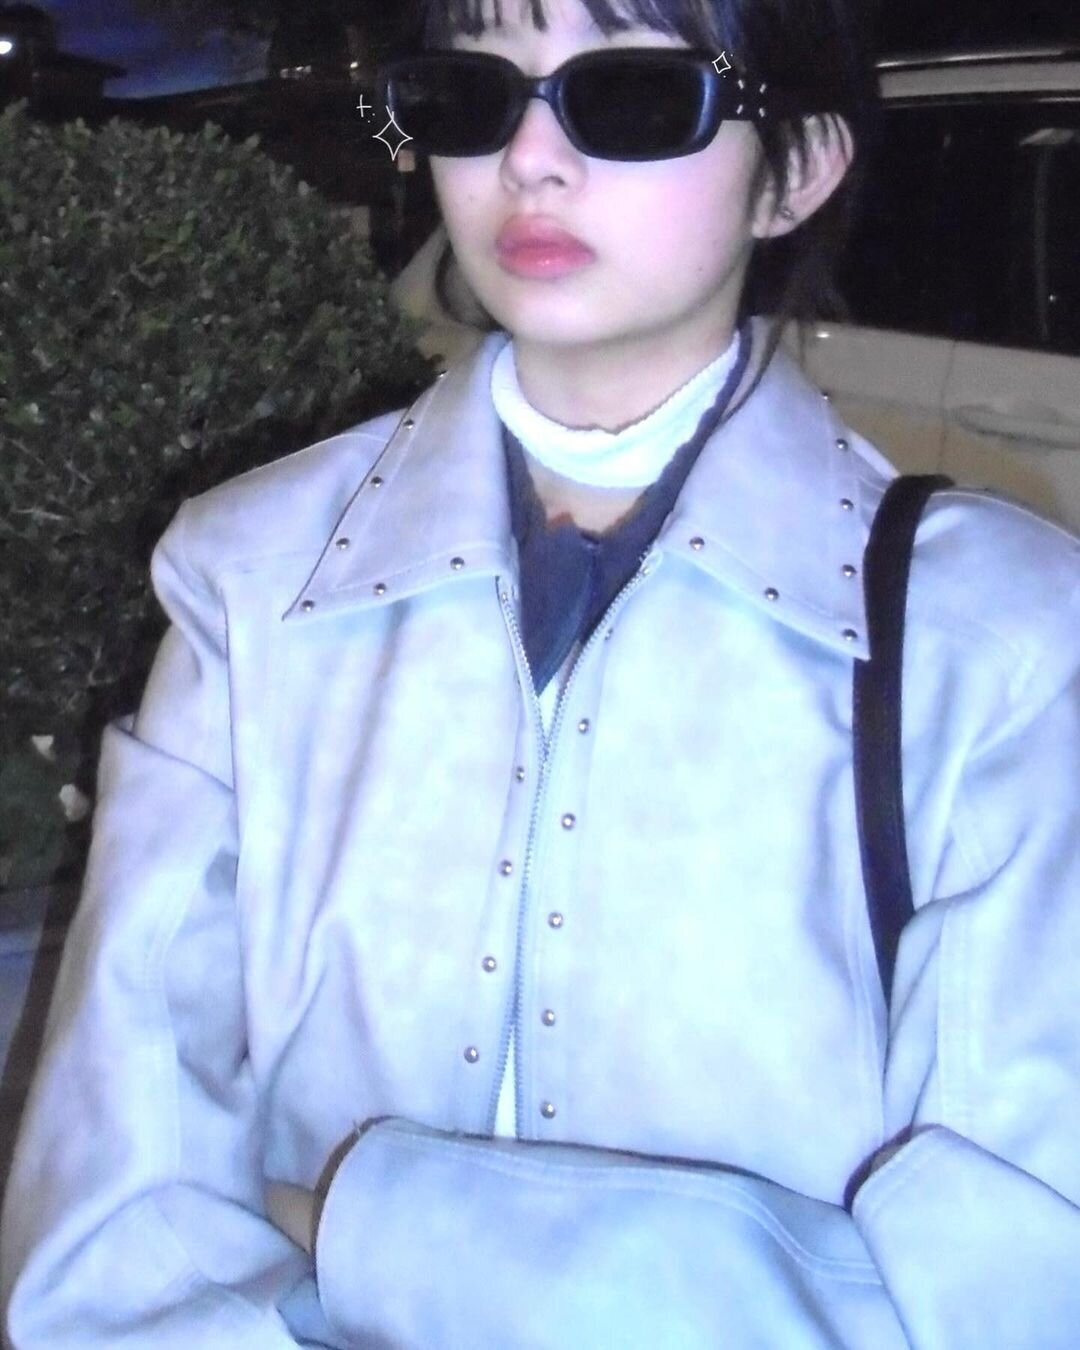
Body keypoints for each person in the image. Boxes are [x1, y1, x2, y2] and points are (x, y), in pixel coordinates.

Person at [3, 0, 1079, 1344]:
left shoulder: (999, 646)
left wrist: (361, 1228)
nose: (529, 158)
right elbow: (109, 1228)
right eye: (473, 95)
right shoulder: (250, 580)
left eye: (630, 97)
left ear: (796, 169)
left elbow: (1007, 1288)